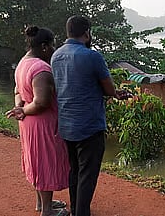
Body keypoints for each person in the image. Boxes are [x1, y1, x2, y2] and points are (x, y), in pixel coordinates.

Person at [51, 15, 122, 216]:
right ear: (87, 32)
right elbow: (109, 89)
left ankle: (75, 210)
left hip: (66, 125)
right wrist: (113, 92)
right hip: (89, 126)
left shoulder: (56, 55)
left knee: (74, 171)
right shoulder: (93, 56)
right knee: (87, 175)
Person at [6, 26, 70, 216]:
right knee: (45, 163)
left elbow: (17, 91)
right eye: (52, 46)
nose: (53, 50)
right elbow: (41, 102)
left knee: (36, 161)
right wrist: (24, 109)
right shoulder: (42, 69)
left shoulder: (23, 63)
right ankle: (47, 211)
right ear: (43, 47)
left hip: (27, 122)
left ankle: (41, 203)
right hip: (42, 124)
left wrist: (20, 108)